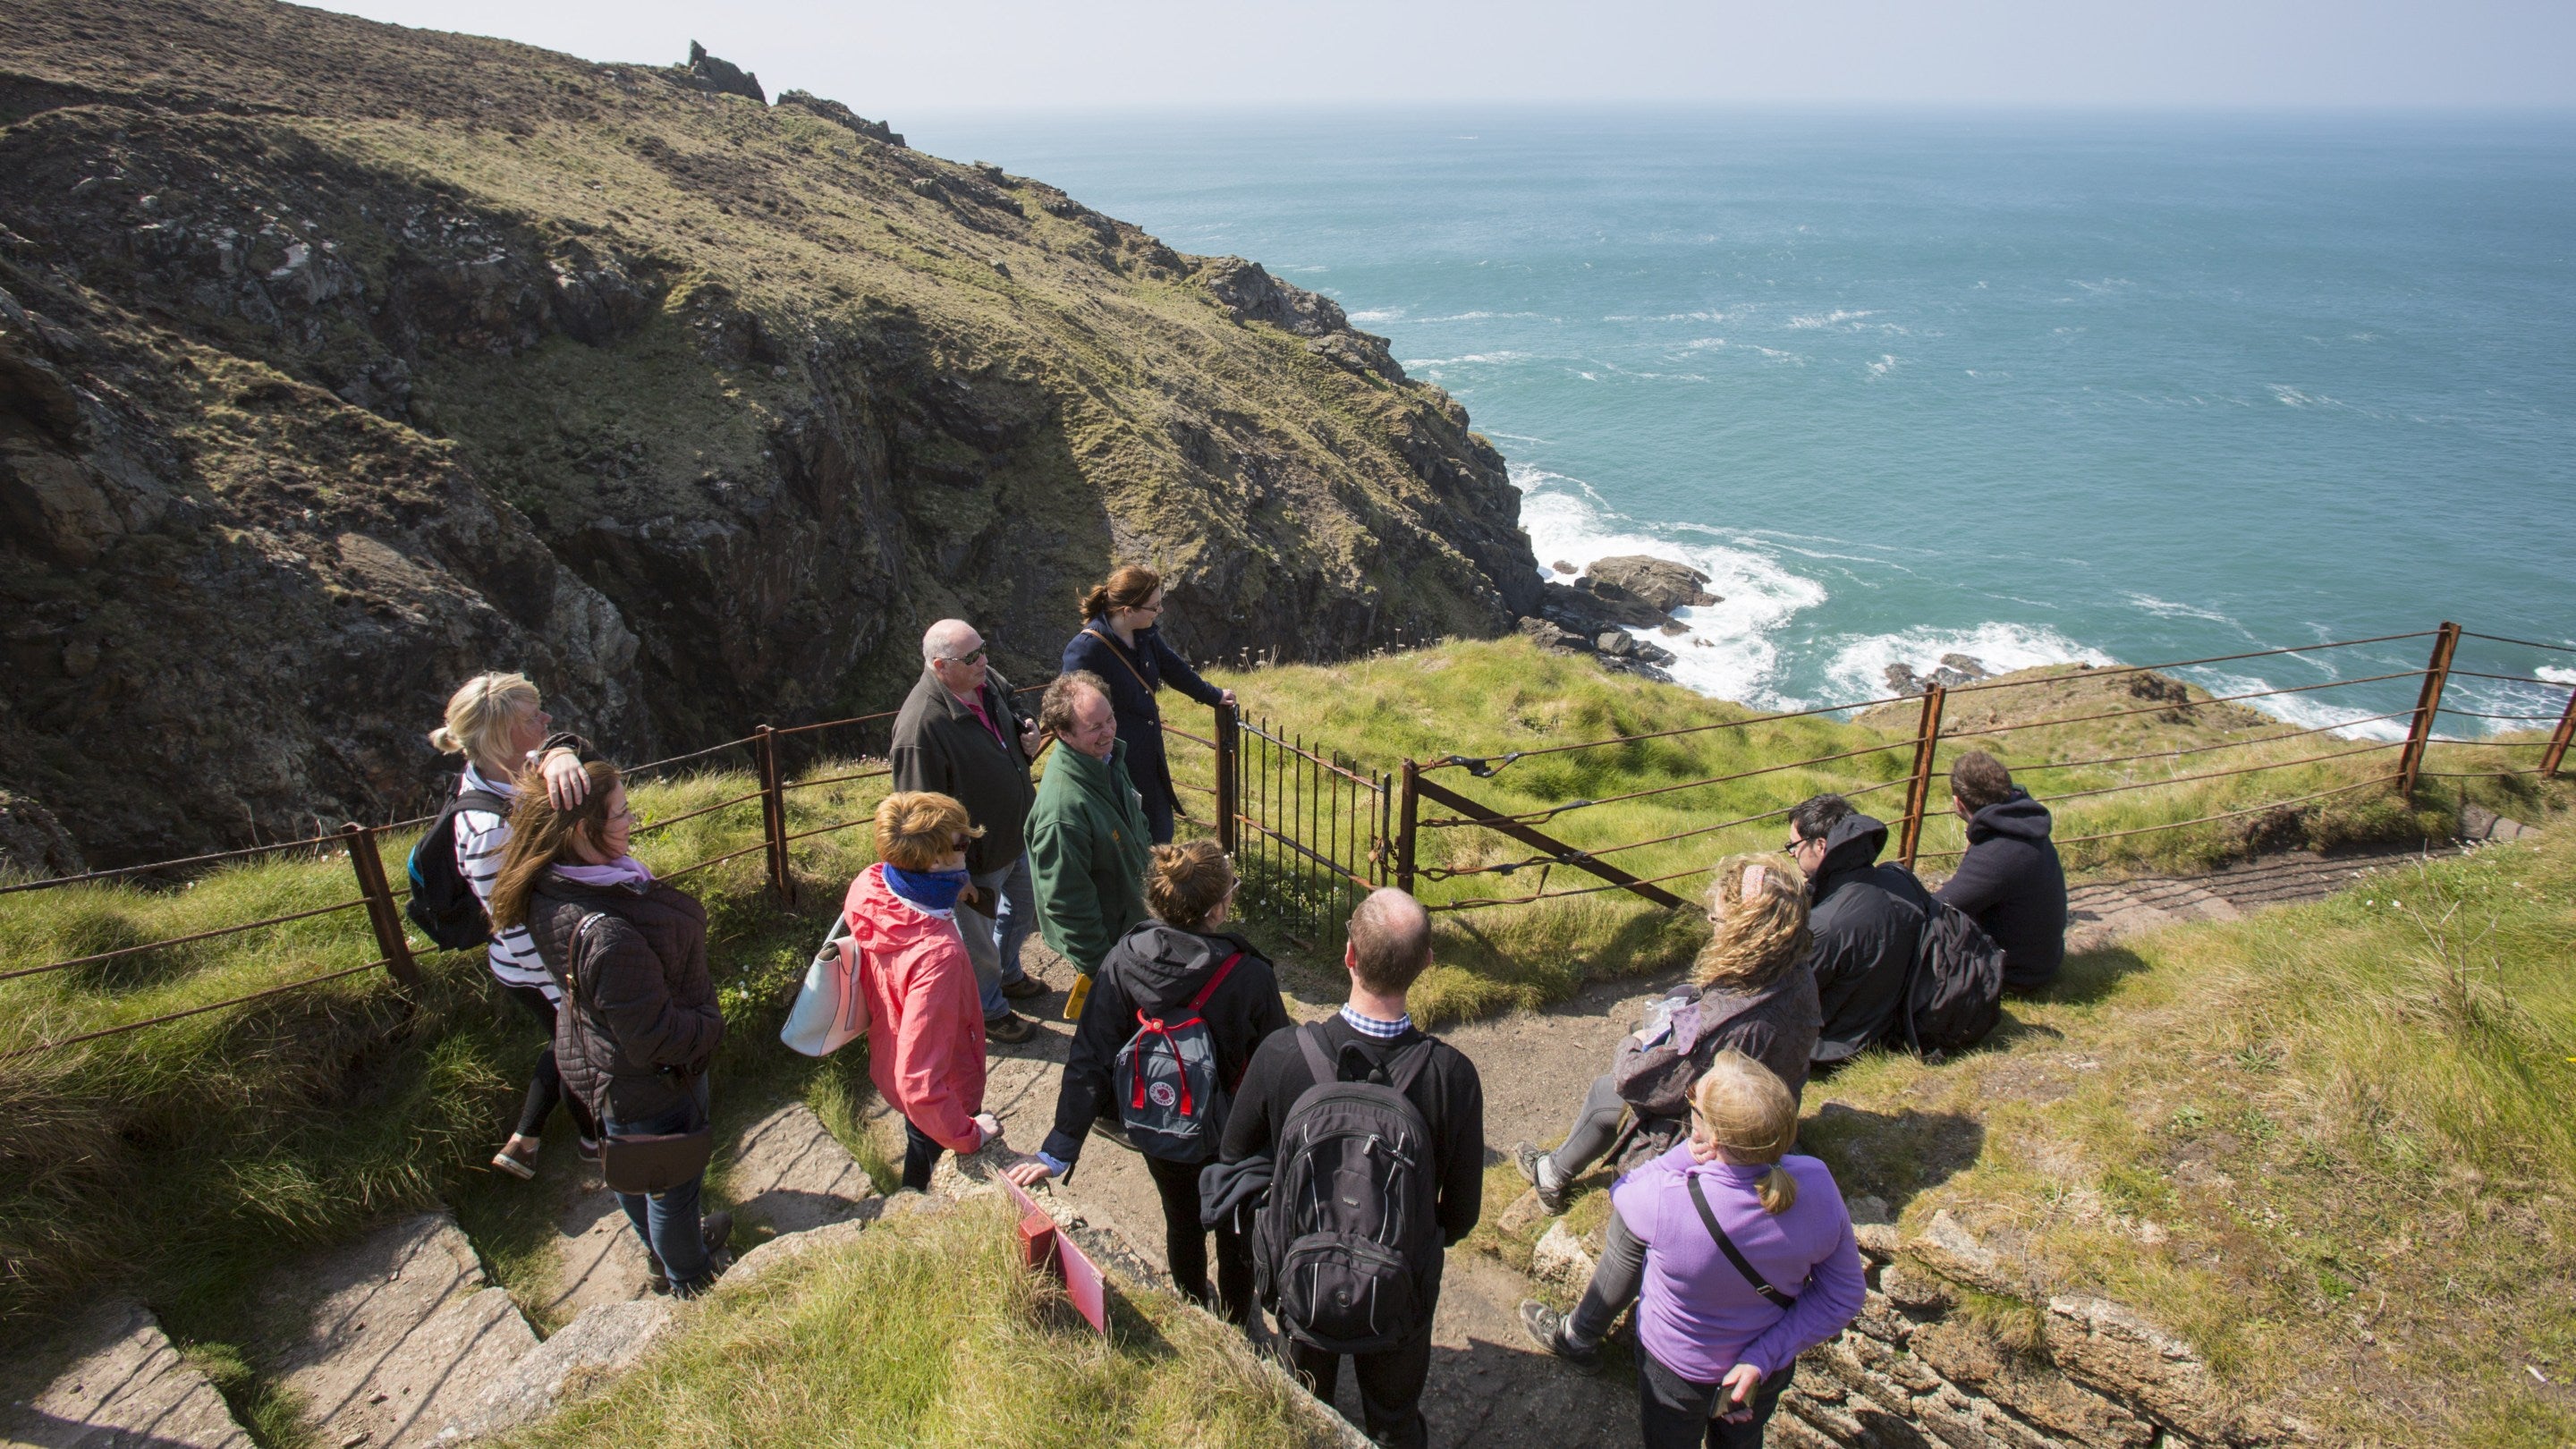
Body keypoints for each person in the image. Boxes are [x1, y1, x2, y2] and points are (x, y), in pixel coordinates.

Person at [1222, 890, 1483, 1449]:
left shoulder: (1282, 1055)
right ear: (1427, 965)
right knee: (1393, 1415)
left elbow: (1235, 1156)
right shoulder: (1452, 1077)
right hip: (1398, 1287)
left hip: (1301, 1271)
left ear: (1348, 955)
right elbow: (1461, 1214)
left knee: (1302, 1403)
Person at [1004, 841, 1290, 1323]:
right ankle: (1241, 1321)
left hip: (1160, 1124)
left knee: (1181, 1219)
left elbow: (1090, 1053)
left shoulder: (1122, 960)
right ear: (1219, 908)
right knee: (1237, 1226)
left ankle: (1196, 1305)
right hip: (1232, 1132)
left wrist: (1059, 1147)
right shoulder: (1249, 975)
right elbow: (1277, 1062)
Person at [1526, 1053, 1864, 1447]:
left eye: (1693, 1104)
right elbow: (1843, 1294)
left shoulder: (1666, 1203)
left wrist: (1686, 1153)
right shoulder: (1818, 1184)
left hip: (1675, 1370)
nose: (1689, 1111)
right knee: (1741, 1441)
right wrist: (1763, 1356)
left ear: (1713, 1135)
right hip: (1757, 1374)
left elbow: (1623, 1191)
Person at [493, 761, 733, 1298]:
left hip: (599, 1063)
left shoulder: (550, 886)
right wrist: (710, 1027)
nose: (631, 820)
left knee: (629, 1165)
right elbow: (655, 1038)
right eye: (621, 812)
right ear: (582, 830)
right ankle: (691, 1280)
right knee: (673, 1186)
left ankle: (664, 1255)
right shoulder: (610, 935)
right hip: (653, 1080)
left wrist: (557, 756)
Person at [1514, 854, 1820, 1216]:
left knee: (1608, 1090)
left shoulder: (1725, 1020)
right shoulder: (1796, 973)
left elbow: (1642, 1081)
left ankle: (1550, 1175)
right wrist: (1686, 1002)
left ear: (1746, 931)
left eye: (1719, 919)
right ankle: (1553, 1170)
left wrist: (1637, 1039)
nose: (1712, 925)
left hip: (1711, 1142)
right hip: (1766, 1122)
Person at [426, 671, 603, 1182]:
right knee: (579, 1050)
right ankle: (595, 1142)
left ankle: (525, 1140)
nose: (547, 720)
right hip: (537, 964)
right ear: (502, 736)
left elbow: (577, 749)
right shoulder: (487, 832)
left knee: (564, 1041)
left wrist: (561, 751)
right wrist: (569, 982)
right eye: (534, 718)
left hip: (549, 956)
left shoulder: (514, 770)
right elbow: (512, 921)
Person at [891, 619, 1046, 1045]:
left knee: (1024, 910)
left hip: (1014, 835)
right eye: (973, 656)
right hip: (972, 859)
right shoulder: (921, 727)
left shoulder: (983, 679)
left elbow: (1012, 704)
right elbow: (919, 815)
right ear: (941, 666)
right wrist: (949, 874)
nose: (985, 661)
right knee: (976, 943)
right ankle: (990, 1011)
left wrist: (1026, 727)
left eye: (984, 649)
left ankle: (1009, 973)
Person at [843, 791, 1005, 1191]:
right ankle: (917, 1204)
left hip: (890, 1052)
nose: (969, 845)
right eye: (962, 842)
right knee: (932, 1152)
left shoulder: (872, 886)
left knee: (918, 1140)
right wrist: (970, 1133)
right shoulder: (938, 955)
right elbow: (920, 1084)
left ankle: (910, 1196)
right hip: (947, 1088)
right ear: (935, 861)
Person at [1060, 565, 1235, 845]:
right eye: (1154, 607)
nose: (1160, 611)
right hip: (1113, 763)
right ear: (1128, 611)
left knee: (1159, 833)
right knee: (1126, 838)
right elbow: (1069, 708)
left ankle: (1158, 883)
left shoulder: (1145, 634)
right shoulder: (1085, 650)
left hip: (1148, 756)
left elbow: (1171, 667)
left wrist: (1212, 695)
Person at [1025, 671, 1152, 996]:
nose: (1108, 731)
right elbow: (1067, 902)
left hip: (1132, 923)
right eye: (1094, 726)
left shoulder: (1104, 759)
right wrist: (1102, 970)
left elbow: (1134, 817)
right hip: (1113, 946)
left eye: (1110, 718)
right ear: (1063, 734)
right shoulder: (1062, 811)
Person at [1790, 794, 1935, 1072]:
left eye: (1794, 846)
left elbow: (1790, 992)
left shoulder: (1824, 926)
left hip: (1838, 1044)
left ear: (1821, 846)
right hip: (1893, 1020)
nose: (1793, 854)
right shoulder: (1900, 881)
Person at [1935, 751, 2068, 996]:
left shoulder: (1997, 852)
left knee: (1926, 929)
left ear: (1958, 803)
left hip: (2014, 974)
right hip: (2041, 960)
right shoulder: (2023, 827)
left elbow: (1937, 907)